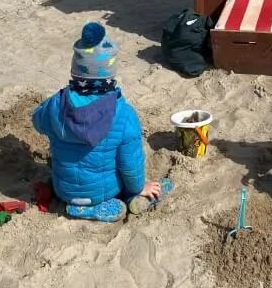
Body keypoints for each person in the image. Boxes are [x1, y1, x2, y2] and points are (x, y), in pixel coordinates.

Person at [32, 22, 173, 222]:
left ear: (75, 71)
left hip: (63, 189)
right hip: (104, 191)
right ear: (110, 75)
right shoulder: (124, 114)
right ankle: (132, 198)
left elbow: (37, 121)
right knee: (131, 186)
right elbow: (130, 164)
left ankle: (76, 206)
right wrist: (139, 187)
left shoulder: (56, 104)